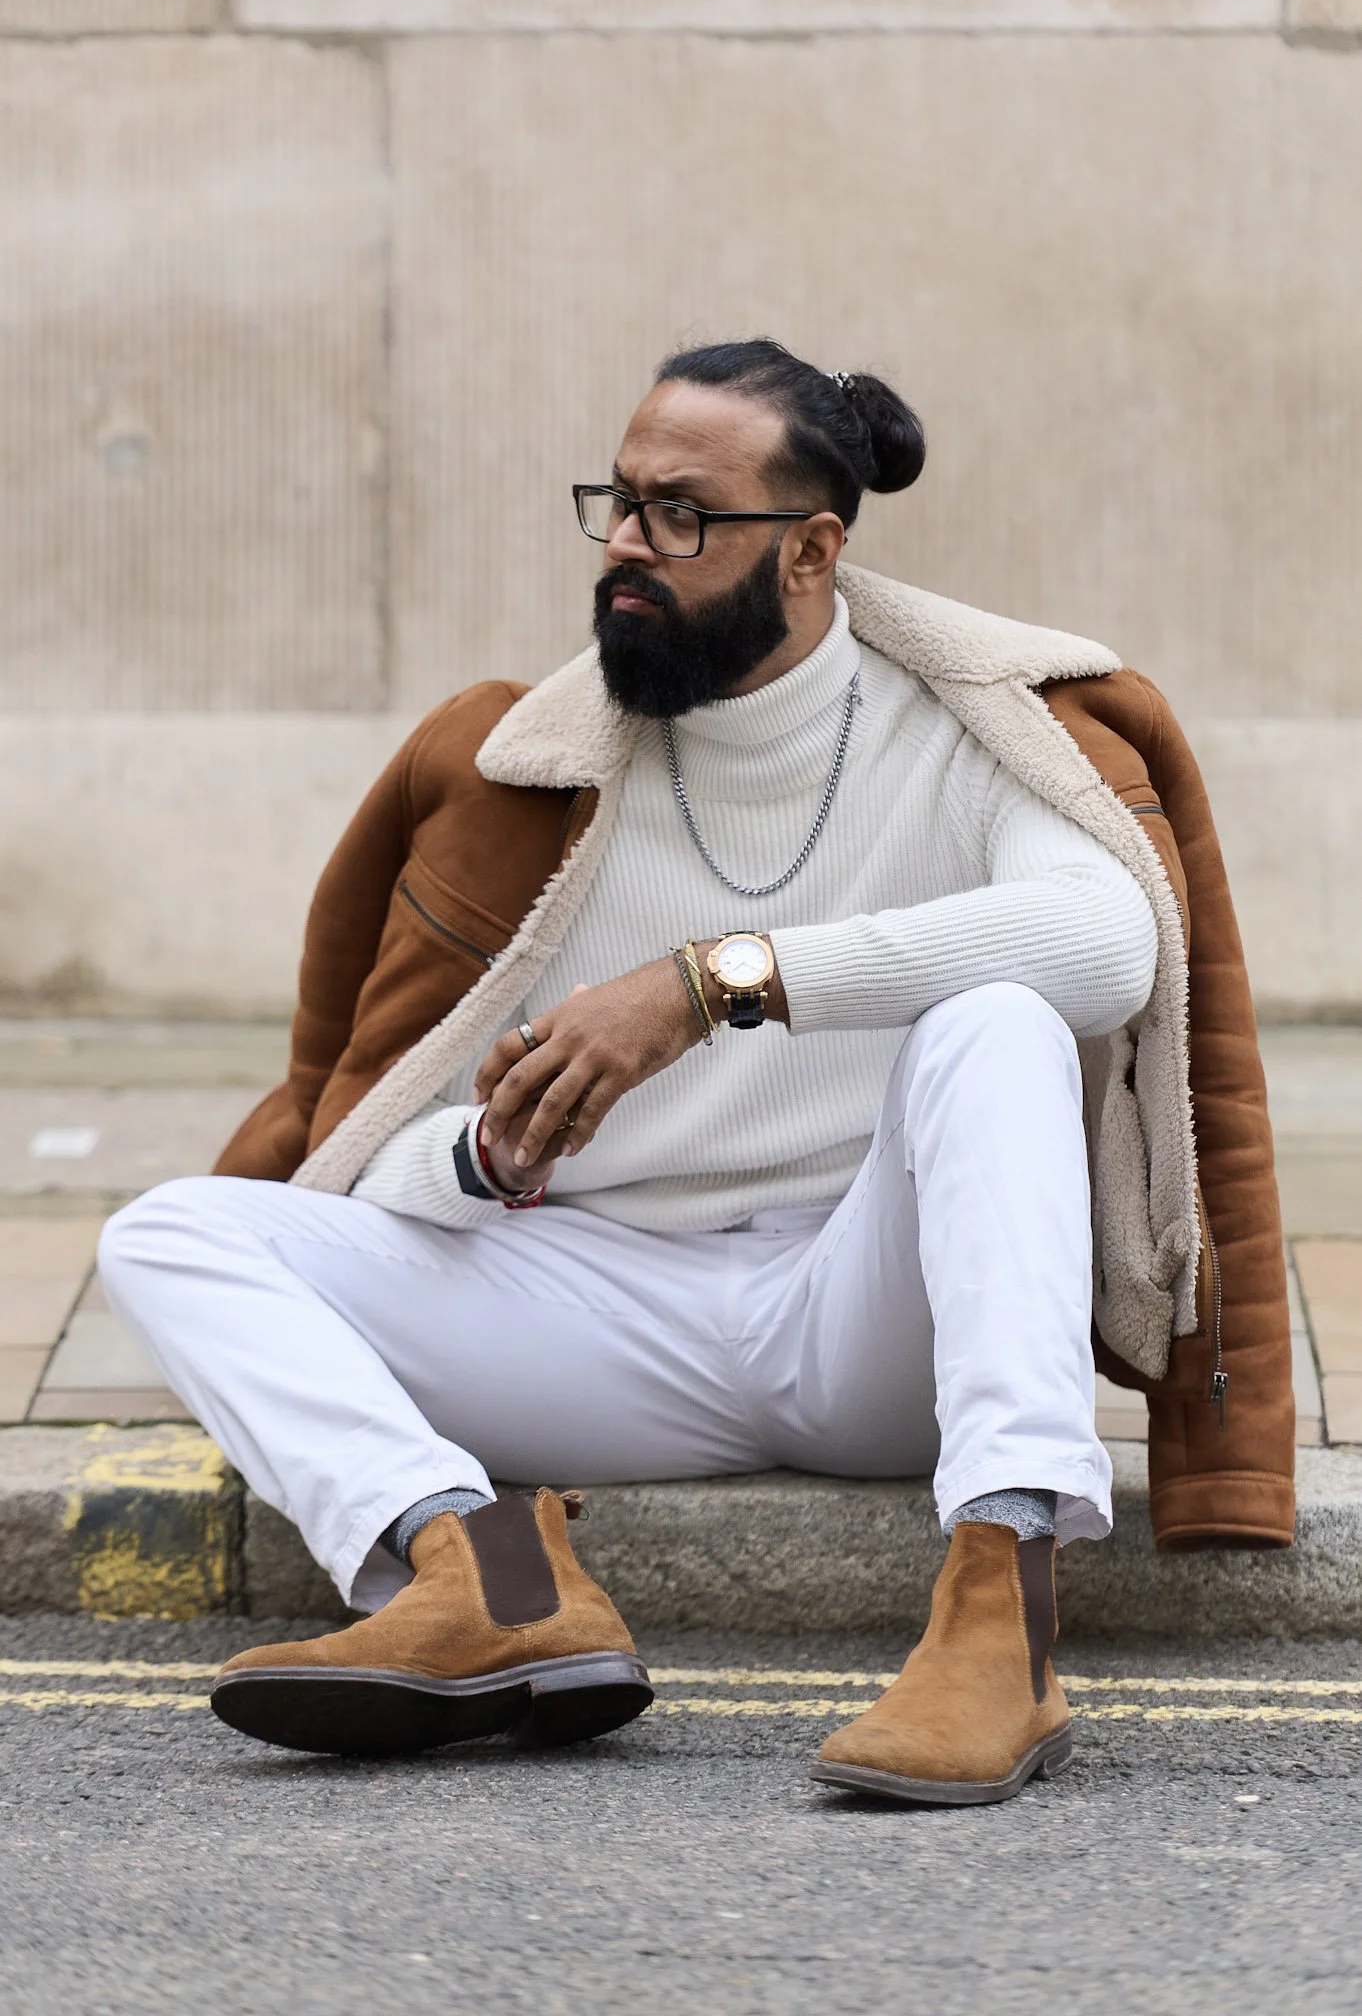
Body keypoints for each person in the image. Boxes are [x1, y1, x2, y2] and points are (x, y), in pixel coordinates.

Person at [98, 337, 1285, 1805]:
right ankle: (492, 1579)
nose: (625, 548)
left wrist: (715, 982)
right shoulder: (532, 779)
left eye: (679, 515)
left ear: (809, 550)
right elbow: (389, 1150)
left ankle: (1003, 1624)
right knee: (175, 1232)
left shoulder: (972, 733)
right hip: (608, 1317)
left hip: (871, 1326)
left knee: (995, 1027)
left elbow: (1103, 942)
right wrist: (486, 1155)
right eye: (617, 503)